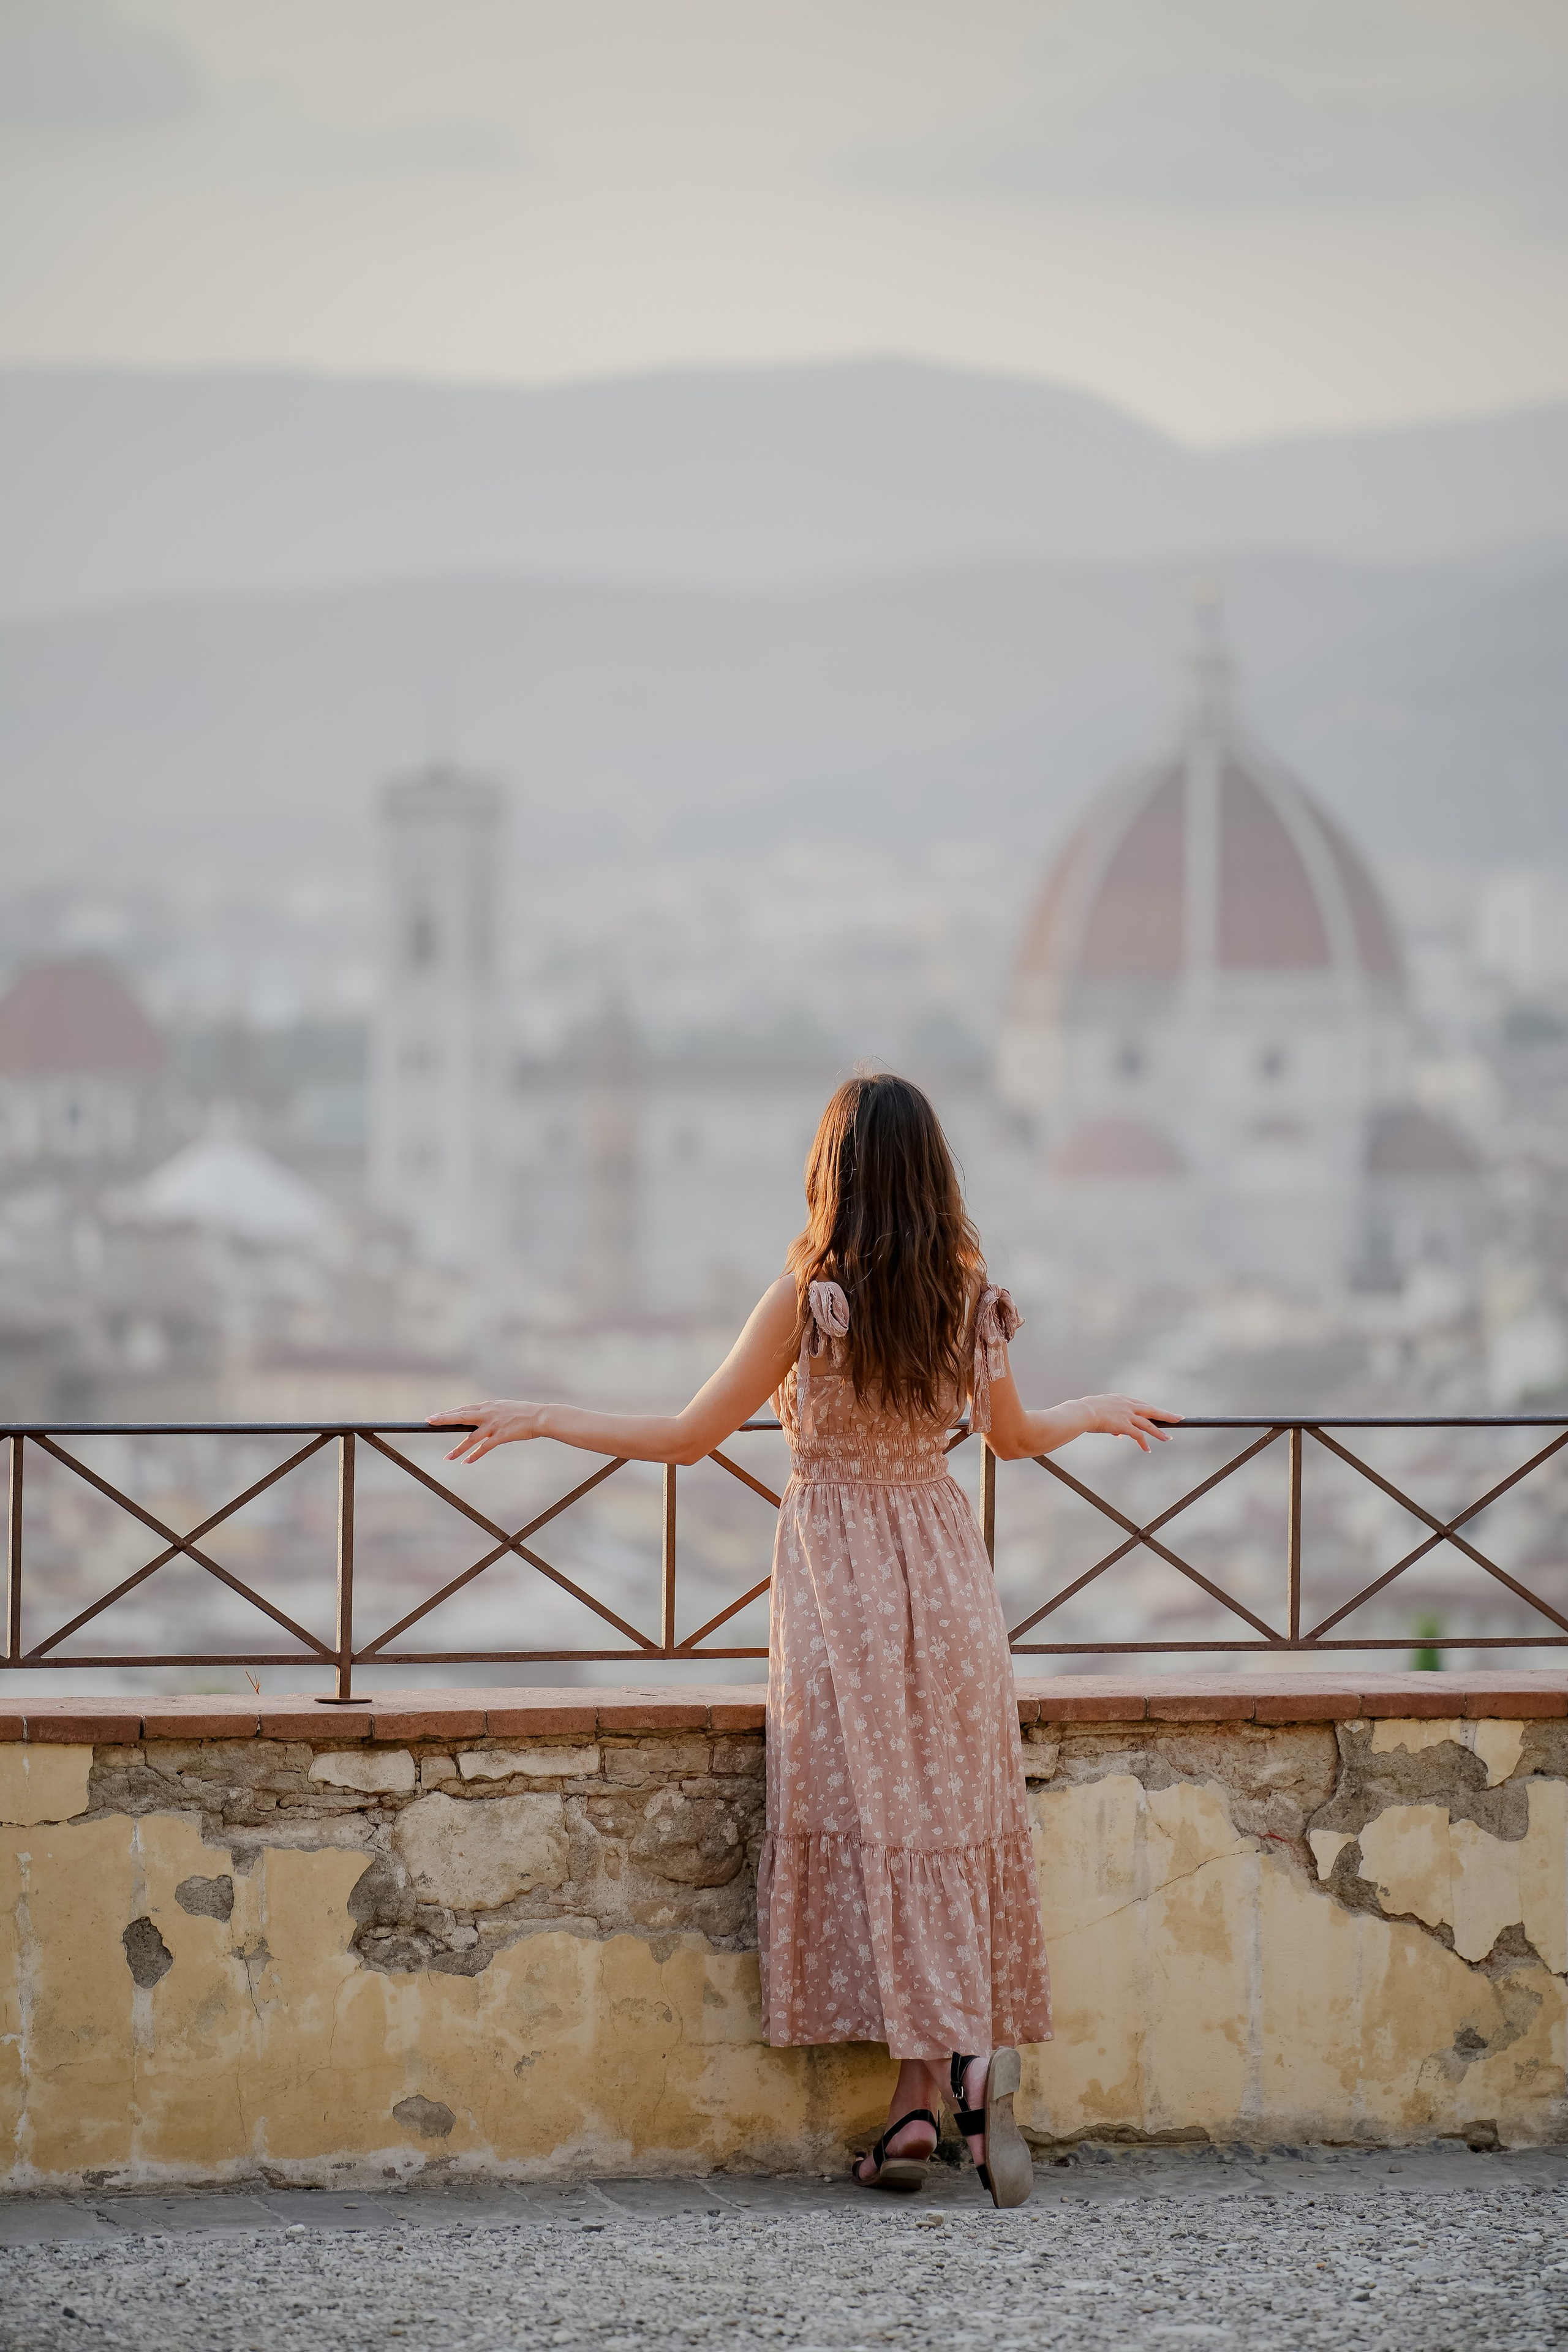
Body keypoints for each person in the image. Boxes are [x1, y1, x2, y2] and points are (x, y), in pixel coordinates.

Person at [431, 1072, 1178, 2206]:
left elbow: (688, 1436)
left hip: (843, 1591)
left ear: (835, 1171)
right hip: (948, 1576)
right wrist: (1097, 1409)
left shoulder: (808, 1294)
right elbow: (1015, 1439)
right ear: (934, 1173)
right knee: (938, 1821)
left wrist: (540, 1415)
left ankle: (953, 2070)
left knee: (878, 1822)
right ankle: (923, 2100)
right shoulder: (969, 1292)